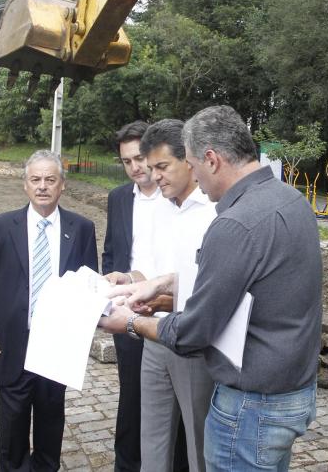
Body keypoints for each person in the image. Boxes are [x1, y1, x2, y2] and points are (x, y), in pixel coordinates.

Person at [100, 105, 322, 471]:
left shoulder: (234, 223)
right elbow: (245, 286)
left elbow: (195, 331)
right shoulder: (291, 200)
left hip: (252, 405)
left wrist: (128, 323)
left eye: (191, 164)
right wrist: (161, 283)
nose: (195, 177)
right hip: (290, 393)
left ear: (211, 159)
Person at [0, 149, 98, 471]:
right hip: (11, 343)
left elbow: (88, 287)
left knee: (51, 418)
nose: (42, 186)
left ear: (62, 185)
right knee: (12, 422)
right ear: (25, 184)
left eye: (50, 180)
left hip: (56, 345)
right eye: (35, 179)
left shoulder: (81, 228)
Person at [109, 119, 217, 472]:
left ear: (189, 159)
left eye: (161, 166)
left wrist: (160, 296)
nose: (153, 176)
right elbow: (150, 274)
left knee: (198, 439)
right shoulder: (160, 209)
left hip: (193, 341)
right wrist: (125, 284)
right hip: (154, 337)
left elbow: (211, 291)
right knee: (152, 435)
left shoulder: (215, 210)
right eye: (148, 167)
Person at [102, 121, 162, 471]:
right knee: (132, 396)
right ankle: (127, 464)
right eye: (127, 161)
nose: (135, 167)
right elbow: (112, 251)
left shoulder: (179, 196)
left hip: (170, 314)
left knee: (168, 401)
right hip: (130, 313)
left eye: (140, 158)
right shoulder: (119, 198)